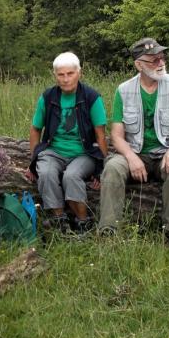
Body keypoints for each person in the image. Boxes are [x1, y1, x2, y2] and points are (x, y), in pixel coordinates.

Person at [98, 37, 169, 245]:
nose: (160, 63)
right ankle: (108, 231)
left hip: (165, 152)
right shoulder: (124, 90)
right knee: (113, 167)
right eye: (154, 60)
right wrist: (130, 157)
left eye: (162, 58)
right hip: (135, 152)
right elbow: (116, 134)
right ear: (138, 65)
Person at [28, 52, 108, 235]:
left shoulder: (91, 97)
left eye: (70, 74)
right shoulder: (48, 97)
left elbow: (100, 135)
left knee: (71, 176)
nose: (65, 79)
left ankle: (83, 222)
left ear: (79, 73)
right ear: (55, 75)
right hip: (53, 150)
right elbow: (35, 129)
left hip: (84, 152)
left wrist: (101, 169)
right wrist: (33, 160)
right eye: (61, 75)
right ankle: (60, 219)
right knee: (46, 172)